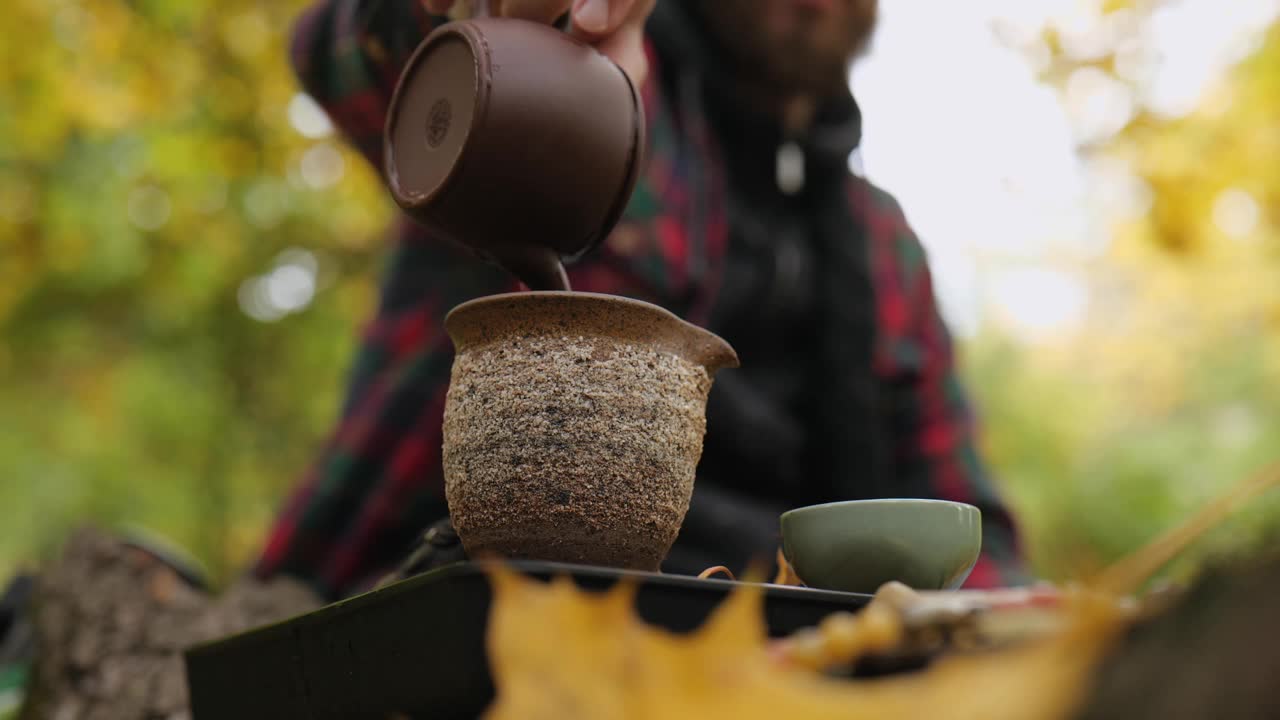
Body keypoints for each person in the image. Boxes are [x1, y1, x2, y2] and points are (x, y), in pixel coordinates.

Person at [254, 0, 1027, 600]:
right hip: (450, 598)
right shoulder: (594, 82)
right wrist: (493, 17)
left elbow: (965, 518)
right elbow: (351, 55)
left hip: (765, 641)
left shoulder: (884, 242)